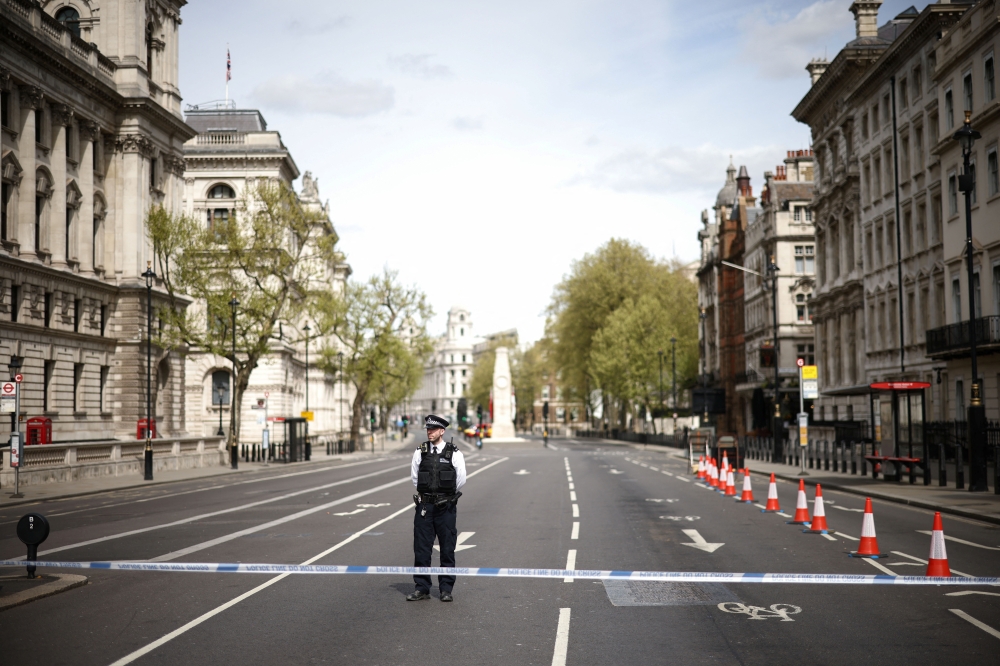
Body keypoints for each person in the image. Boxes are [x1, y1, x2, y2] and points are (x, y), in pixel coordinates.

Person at [407, 414, 466, 602]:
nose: (429, 432)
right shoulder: (420, 452)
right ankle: (422, 588)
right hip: (425, 507)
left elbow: (461, 480)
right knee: (422, 549)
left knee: (447, 548)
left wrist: (444, 496)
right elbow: (415, 478)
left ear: (442, 431)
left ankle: (446, 589)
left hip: (445, 508)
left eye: (433, 429)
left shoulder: (454, 453)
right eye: (427, 429)